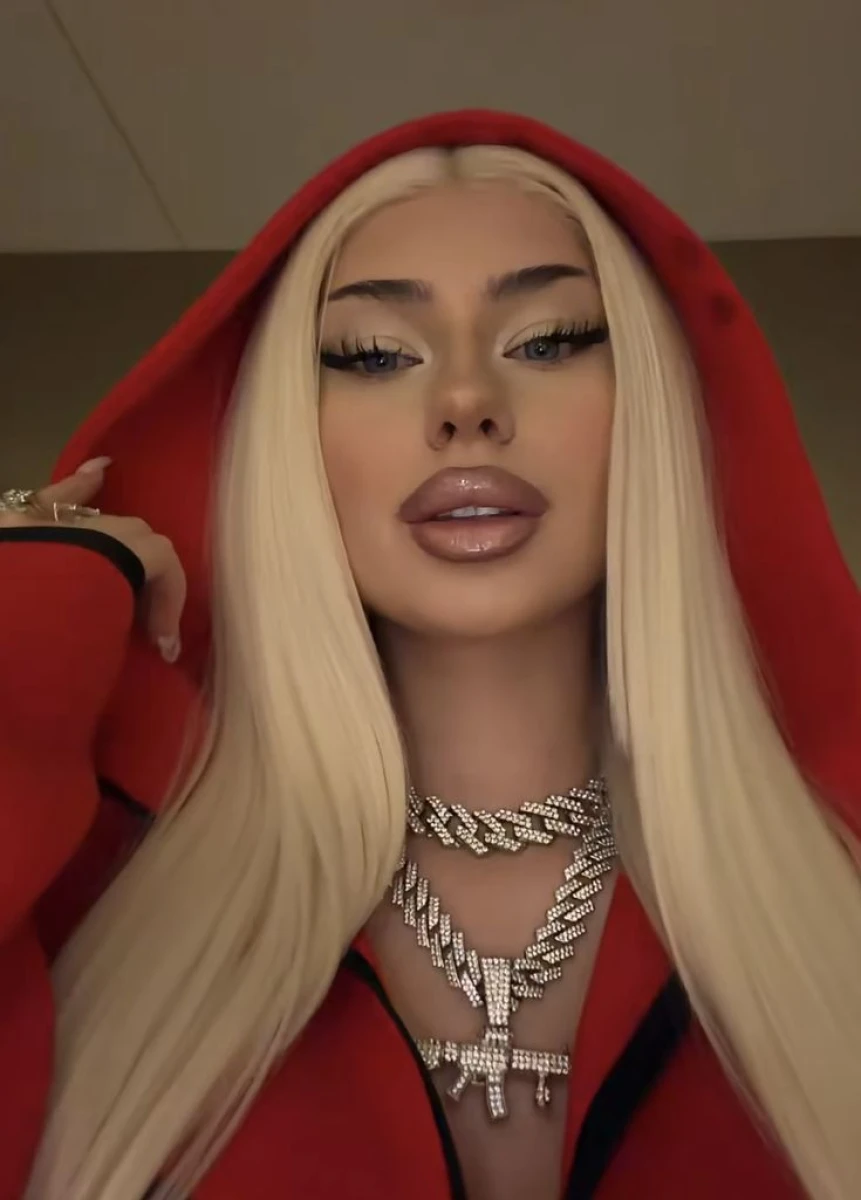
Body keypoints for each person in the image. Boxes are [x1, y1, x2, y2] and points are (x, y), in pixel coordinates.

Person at [0, 110, 858, 1200]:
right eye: (372, 355)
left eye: (547, 340)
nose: (464, 404)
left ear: (653, 411)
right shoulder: (82, 901)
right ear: (285, 441)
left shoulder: (834, 892)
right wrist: (43, 586)